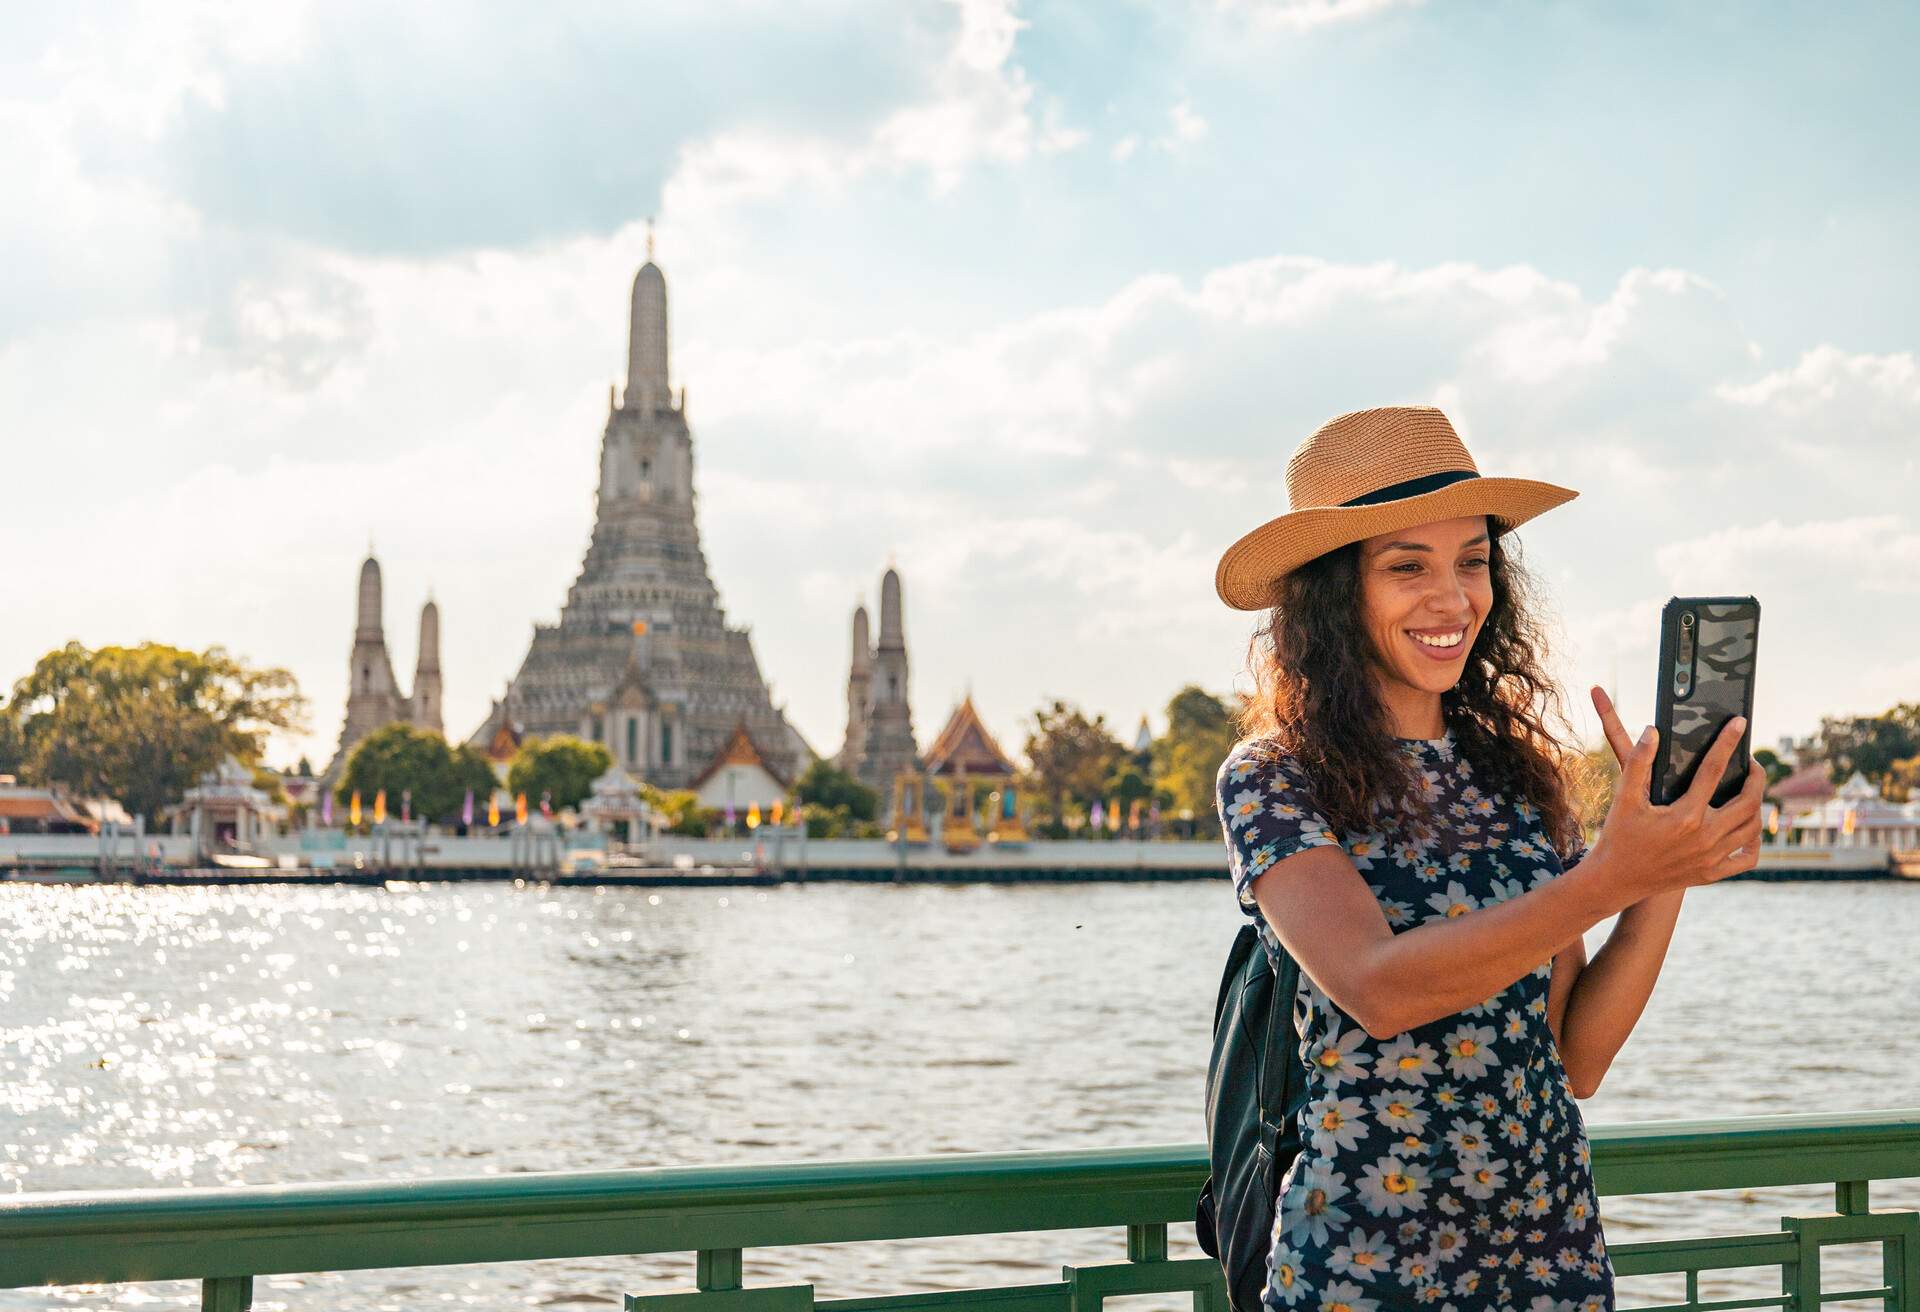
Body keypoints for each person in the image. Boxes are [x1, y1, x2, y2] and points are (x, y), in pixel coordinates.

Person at [1211, 406, 1764, 1312]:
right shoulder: (1277, 776)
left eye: (1473, 562)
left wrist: (1665, 864)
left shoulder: (1519, 774)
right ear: (1330, 592)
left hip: (1548, 1255)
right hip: (1363, 1263)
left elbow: (1573, 1054)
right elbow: (1377, 988)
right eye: (1406, 567)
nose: (1454, 598)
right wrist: (1610, 877)